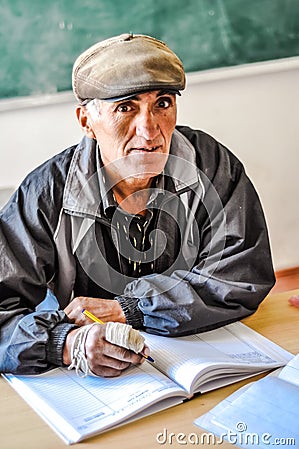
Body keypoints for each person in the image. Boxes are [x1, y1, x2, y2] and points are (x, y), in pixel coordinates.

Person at [0, 33, 275, 376]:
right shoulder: (46, 192)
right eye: (125, 107)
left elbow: (242, 276)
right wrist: (66, 344)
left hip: (203, 364)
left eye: (162, 103)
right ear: (87, 121)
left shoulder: (210, 164)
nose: (150, 131)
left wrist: (130, 308)